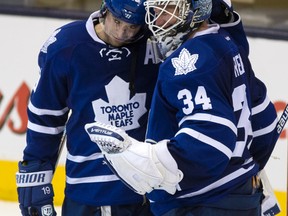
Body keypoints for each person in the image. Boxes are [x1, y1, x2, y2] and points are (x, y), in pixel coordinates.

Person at [85, 0, 280, 215]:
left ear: (198, 9)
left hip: (200, 204)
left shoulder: (187, 62)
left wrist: (145, 160)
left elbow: (209, 143)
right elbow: (265, 122)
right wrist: (245, 173)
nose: (157, 19)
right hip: (240, 196)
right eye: (156, 9)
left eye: (169, 9)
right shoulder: (227, 45)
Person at [15, 0, 161, 215]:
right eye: (118, 21)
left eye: (132, 26)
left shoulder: (157, 43)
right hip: (88, 188)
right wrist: (34, 177)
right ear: (105, 11)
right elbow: (46, 116)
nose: (122, 33)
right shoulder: (67, 46)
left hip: (147, 188)